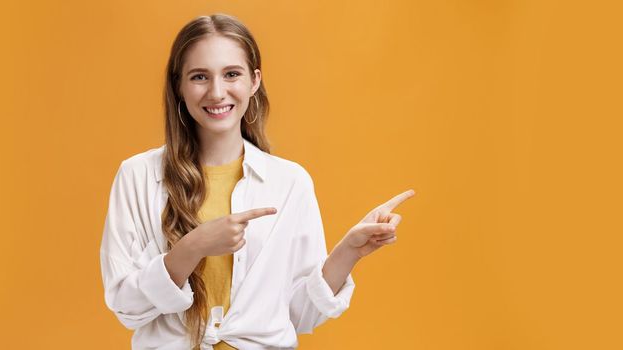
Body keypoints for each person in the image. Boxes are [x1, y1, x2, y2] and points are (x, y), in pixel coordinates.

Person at [100, 13, 415, 350]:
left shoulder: (290, 182)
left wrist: (348, 252)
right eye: (199, 77)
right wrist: (192, 248)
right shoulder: (137, 176)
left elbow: (298, 314)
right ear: (178, 86)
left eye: (231, 74)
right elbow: (125, 306)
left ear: (254, 81)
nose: (217, 92)